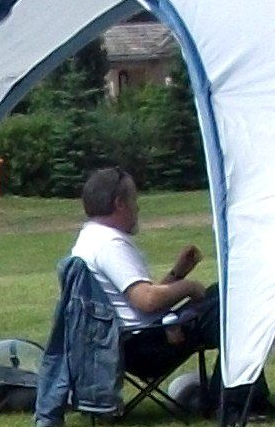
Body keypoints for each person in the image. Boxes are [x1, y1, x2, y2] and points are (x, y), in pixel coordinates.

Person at [69, 164, 216, 403]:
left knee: (219, 296)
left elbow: (136, 301)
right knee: (228, 308)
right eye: (134, 199)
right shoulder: (109, 245)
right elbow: (147, 301)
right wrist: (188, 286)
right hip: (147, 346)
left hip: (130, 340)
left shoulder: (89, 239)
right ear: (119, 203)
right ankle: (237, 400)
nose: (138, 207)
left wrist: (177, 274)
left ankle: (226, 394)